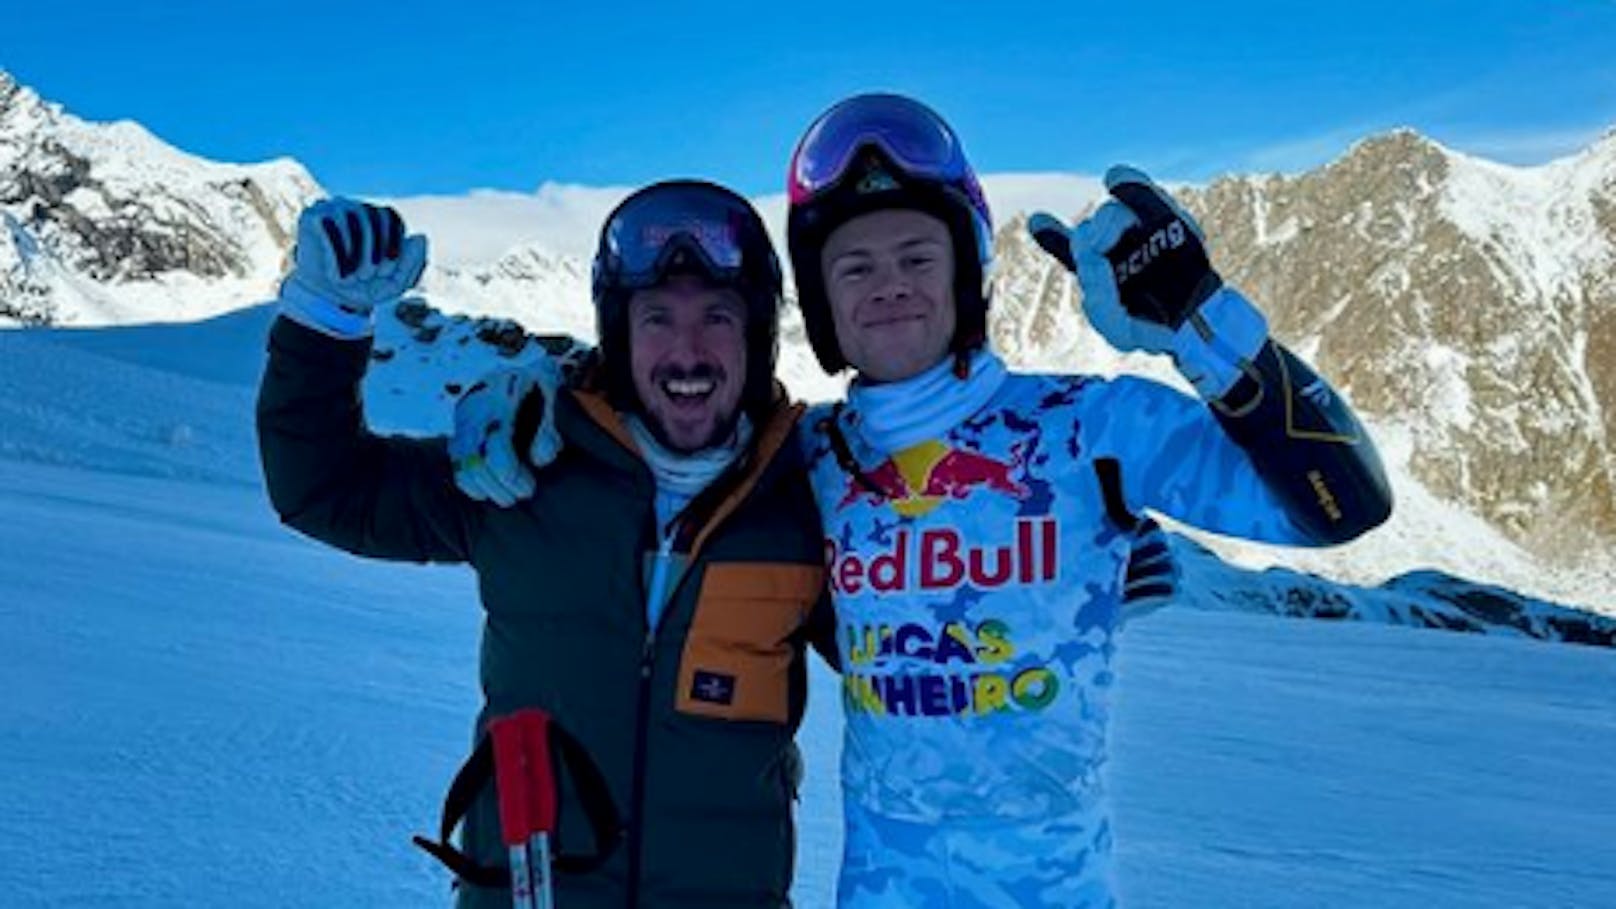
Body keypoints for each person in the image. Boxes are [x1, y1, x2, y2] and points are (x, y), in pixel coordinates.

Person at [451, 93, 1390, 907]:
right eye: (855, 268)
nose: (889, 286)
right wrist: (549, 382)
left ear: (966, 274)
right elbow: (673, 429)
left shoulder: (1088, 430)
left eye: (915, 256)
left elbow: (1340, 507)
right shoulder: (809, 454)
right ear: (819, 305)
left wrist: (1200, 323)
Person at [255, 180, 837, 908]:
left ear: (756, 335)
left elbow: (934, 652)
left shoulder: (808, 502)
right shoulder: (527, 465)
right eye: (656, 318)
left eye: (717, 316)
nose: (688, 351)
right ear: (619, 336)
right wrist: (325, 320)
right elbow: (326, 488)